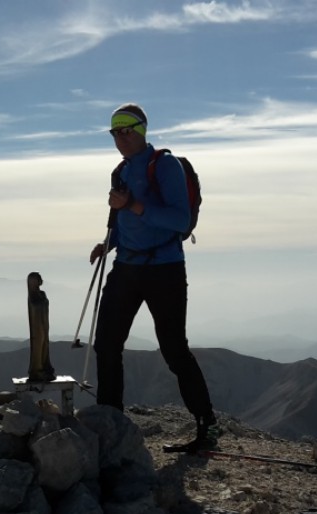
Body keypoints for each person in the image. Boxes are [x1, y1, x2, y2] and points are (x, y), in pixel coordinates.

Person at [89, 103, 219, 453]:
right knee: (106, 344)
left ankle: (206, 423)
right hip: (127, 267)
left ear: (142, 130)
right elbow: (124, 224)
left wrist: (133, 206)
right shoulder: (120, 172)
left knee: (174, 350)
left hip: (165, 269)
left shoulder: (165, 166)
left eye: (126, 130)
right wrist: (108, 243)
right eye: (114, 132)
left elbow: (179, 220)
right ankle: (110, 422)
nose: (120, 138)